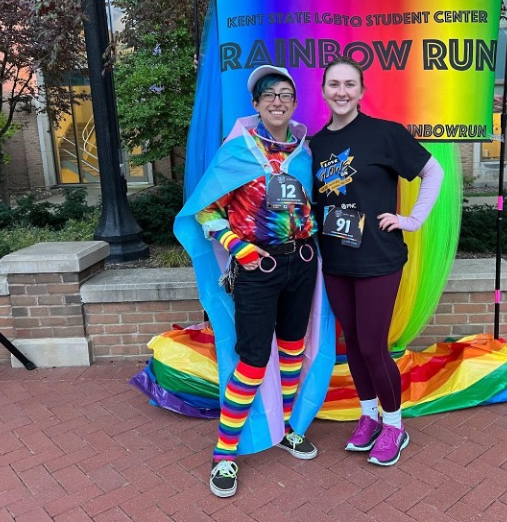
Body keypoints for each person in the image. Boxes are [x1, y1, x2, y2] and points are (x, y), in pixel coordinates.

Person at [190, 65, 321, 497]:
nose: (277, 101)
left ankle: (284, 428)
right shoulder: (238, 152)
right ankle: (224, 455)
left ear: (295, 102)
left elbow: (308, 205)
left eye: (285, 94)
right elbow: (206, 209)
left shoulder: (304, 151)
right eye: (269, 95)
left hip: (301, 265)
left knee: (292, 349)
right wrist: (235, 245)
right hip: (257, 270)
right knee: (251, 360)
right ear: (256, 104)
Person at [309, 56, 444, 467]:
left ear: (362, 92)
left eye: (350, 84)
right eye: (334, 84)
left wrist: (412, 219)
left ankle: (394, 426)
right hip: (335, 258)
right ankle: (368, 417)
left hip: (379, 258)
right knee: (352, 346)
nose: (342, 91)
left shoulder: (385, 134)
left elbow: (432, 171)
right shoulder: (315, 145)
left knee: (372, 345)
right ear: (324, 91)